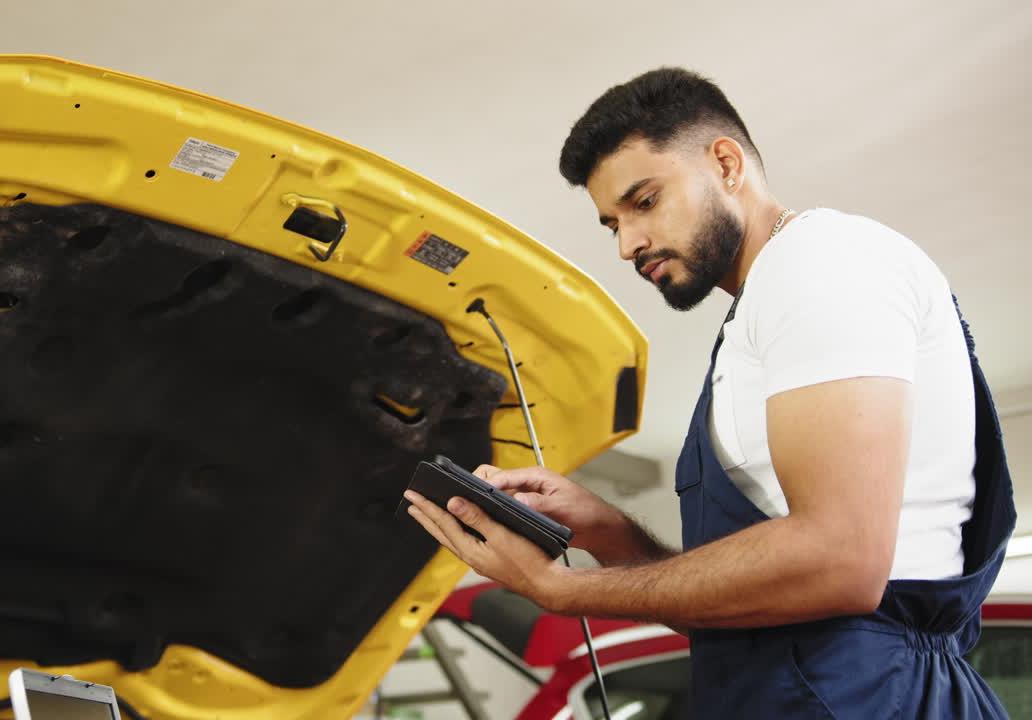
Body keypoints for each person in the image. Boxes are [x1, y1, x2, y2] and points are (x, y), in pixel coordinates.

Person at [402, 67, 1016, 718]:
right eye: (611, 223)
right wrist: (612, 537)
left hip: (870, 698)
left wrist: (562, 590)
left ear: (726, 163)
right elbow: (742, 612)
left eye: (644, 202)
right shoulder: (764, 308)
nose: (627, 244)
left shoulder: (824, 261)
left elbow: (840, 561)